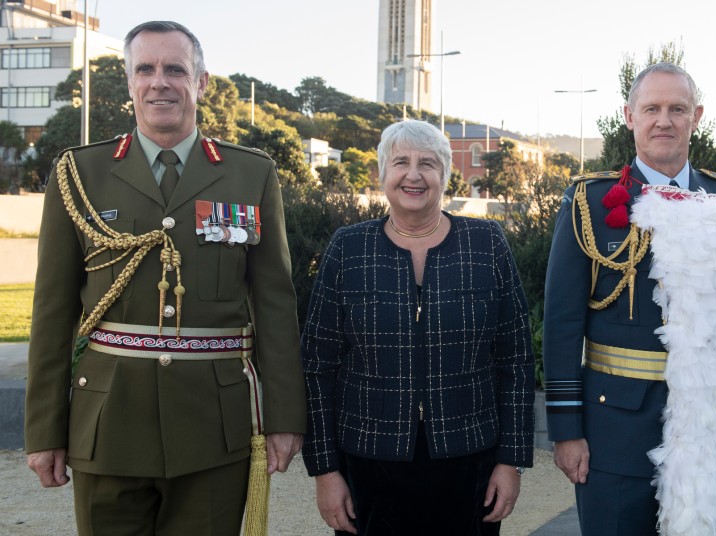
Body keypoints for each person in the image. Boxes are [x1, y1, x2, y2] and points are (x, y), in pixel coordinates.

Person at [24, 21, 306, 535]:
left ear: (200, 82)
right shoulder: (79, 174)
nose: (160, 82)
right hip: (107, 422)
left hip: (214, 427)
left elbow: (274, 306)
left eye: (175, 69)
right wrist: (44, 429)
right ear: (129, 83)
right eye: (145, 69)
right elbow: (52, 311)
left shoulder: (251, 174)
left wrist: (284, 418)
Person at [543, 62, 716, 534]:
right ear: (629, 116)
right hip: (618, 432)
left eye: (677, 109)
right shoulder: (590, 203)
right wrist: (567, 432)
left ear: (696, 116)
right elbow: (562, 325)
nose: (664, 120)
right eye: (651, 108)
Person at [301, 119, 535, 535]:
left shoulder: (486, 244)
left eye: (427, 163)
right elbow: (317, 365)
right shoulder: (348, 248)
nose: (413, 174)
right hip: (369, 464)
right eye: (401, 162)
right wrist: (325, 470)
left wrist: (510, 460)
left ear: (445, 174)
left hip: (470, 464)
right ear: (382, 174)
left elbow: (515, 359)